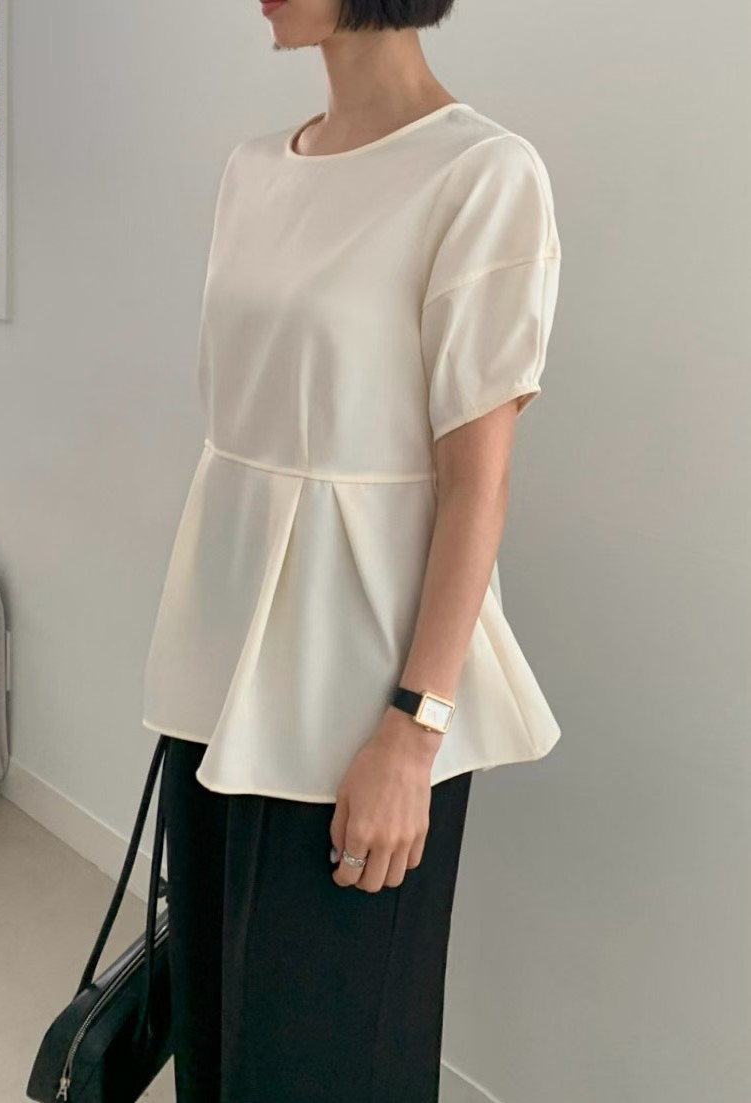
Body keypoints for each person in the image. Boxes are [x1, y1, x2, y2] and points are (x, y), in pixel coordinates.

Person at [143, 1, 563, 1100]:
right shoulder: (252, 168)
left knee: (327, 1055)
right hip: (219, 672)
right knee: (216, 1038)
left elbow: (476, 483)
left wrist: (413, 732)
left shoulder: (481, 175)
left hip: (362, 699)